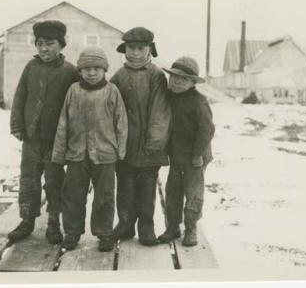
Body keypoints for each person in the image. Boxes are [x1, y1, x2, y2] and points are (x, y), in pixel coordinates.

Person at [8, 20, 79, 244]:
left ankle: (53, 224)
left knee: (54, 182)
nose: (44, 48)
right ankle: (26, 221)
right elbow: (20, 97)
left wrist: (70, 137)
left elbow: (74, 105)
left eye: (49, 43)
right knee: (29, 181)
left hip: (55, 141)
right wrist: (17, 125)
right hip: (31, 139)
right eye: (39, 44)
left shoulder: (70, 71)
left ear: (61, 45)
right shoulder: (31, 67)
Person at [52, 47, 128, 252]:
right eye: (87, 69)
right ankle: (72, 232)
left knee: (104, 196)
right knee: (73, 194)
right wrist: (59, 154)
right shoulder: (74, 91)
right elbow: (63, 123)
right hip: (77, 154)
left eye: (97, 68)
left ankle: (104, 233)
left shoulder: (112, 91)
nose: (92, 73)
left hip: (105, 155)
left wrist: (120, 151)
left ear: (104, 70)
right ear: (80, 71)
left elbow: (121, 123)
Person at [110, 27, 171, 246]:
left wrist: (154, 142)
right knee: (125, 185)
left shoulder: (156, 76)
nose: (135, 52)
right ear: (124, 49)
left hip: (149, 146)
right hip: (125, 144)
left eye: (140, 48)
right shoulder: (118, 76)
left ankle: (146, 226)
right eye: (130, 48)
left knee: (146, 187)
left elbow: (160, 111)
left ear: (150, 50)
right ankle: (125, 224)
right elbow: (111, 108)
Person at [158, 56, 215, 247]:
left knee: (193, 194)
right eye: (173, 77)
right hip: (177, 155)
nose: (175, 81)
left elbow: (207, 130)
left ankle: (191, 229)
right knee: (173, 191)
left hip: (195, 157)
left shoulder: (199, 102)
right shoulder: (169, 97)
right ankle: (172, 227)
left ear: (192, 83)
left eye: (182, 79)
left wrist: (198, 154)